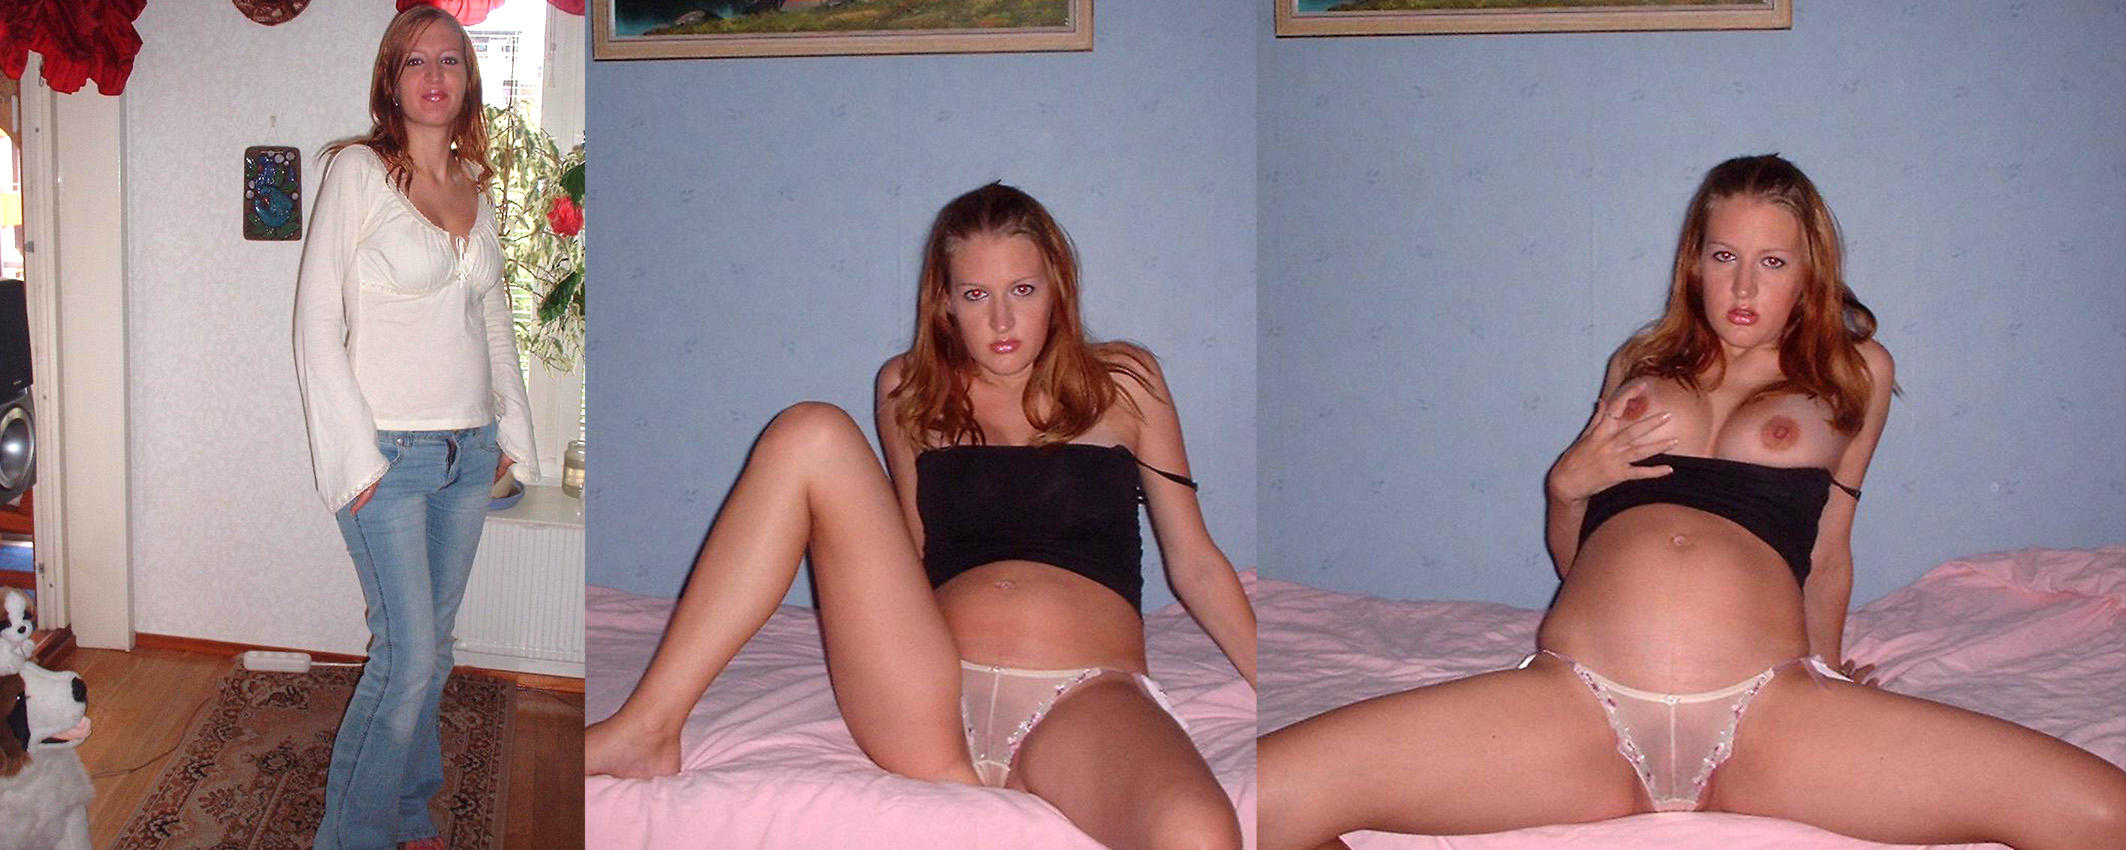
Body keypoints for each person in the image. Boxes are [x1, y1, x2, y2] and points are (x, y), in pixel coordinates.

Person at [1258, 154, 2126, 850]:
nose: (1743, 289)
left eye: (1772, 262)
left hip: (1768, 715)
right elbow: (1578, 560)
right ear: (1694, 261)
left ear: (1809, 273)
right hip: (1579, 706)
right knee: (1266, 799)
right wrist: (1564, 487)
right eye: (1723, 257)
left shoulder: (1855, 371)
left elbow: (1827, 549)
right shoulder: (1640, 363)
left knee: (2103, 813)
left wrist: (1828, 670)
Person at [585, 183, 1255, 849]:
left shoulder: (1126, 382)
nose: (1001, 322)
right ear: (945, 302)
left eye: (1022, 290)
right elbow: (911, 548)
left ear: (1057, 289)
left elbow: (1194, 562)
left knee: (1199, 835)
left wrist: (1267, 678)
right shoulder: (908, 389)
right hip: (925, 695)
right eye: (976, 295)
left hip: (1080, 695)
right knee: (809, 431)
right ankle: (649, 728)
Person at [293, 7, 538, 848]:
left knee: (433, 650)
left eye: (451, 61)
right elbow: (315, 324)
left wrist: (510, 432)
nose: (435, 76)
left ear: (469, 81)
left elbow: (494, 320)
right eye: (416, 62)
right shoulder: (358, 172)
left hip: (470, 452)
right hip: (388, 457)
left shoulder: (474, 184)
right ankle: (351, 836)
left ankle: (405, 806)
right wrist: (352, 459)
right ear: (390, 81)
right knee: (405, 658)